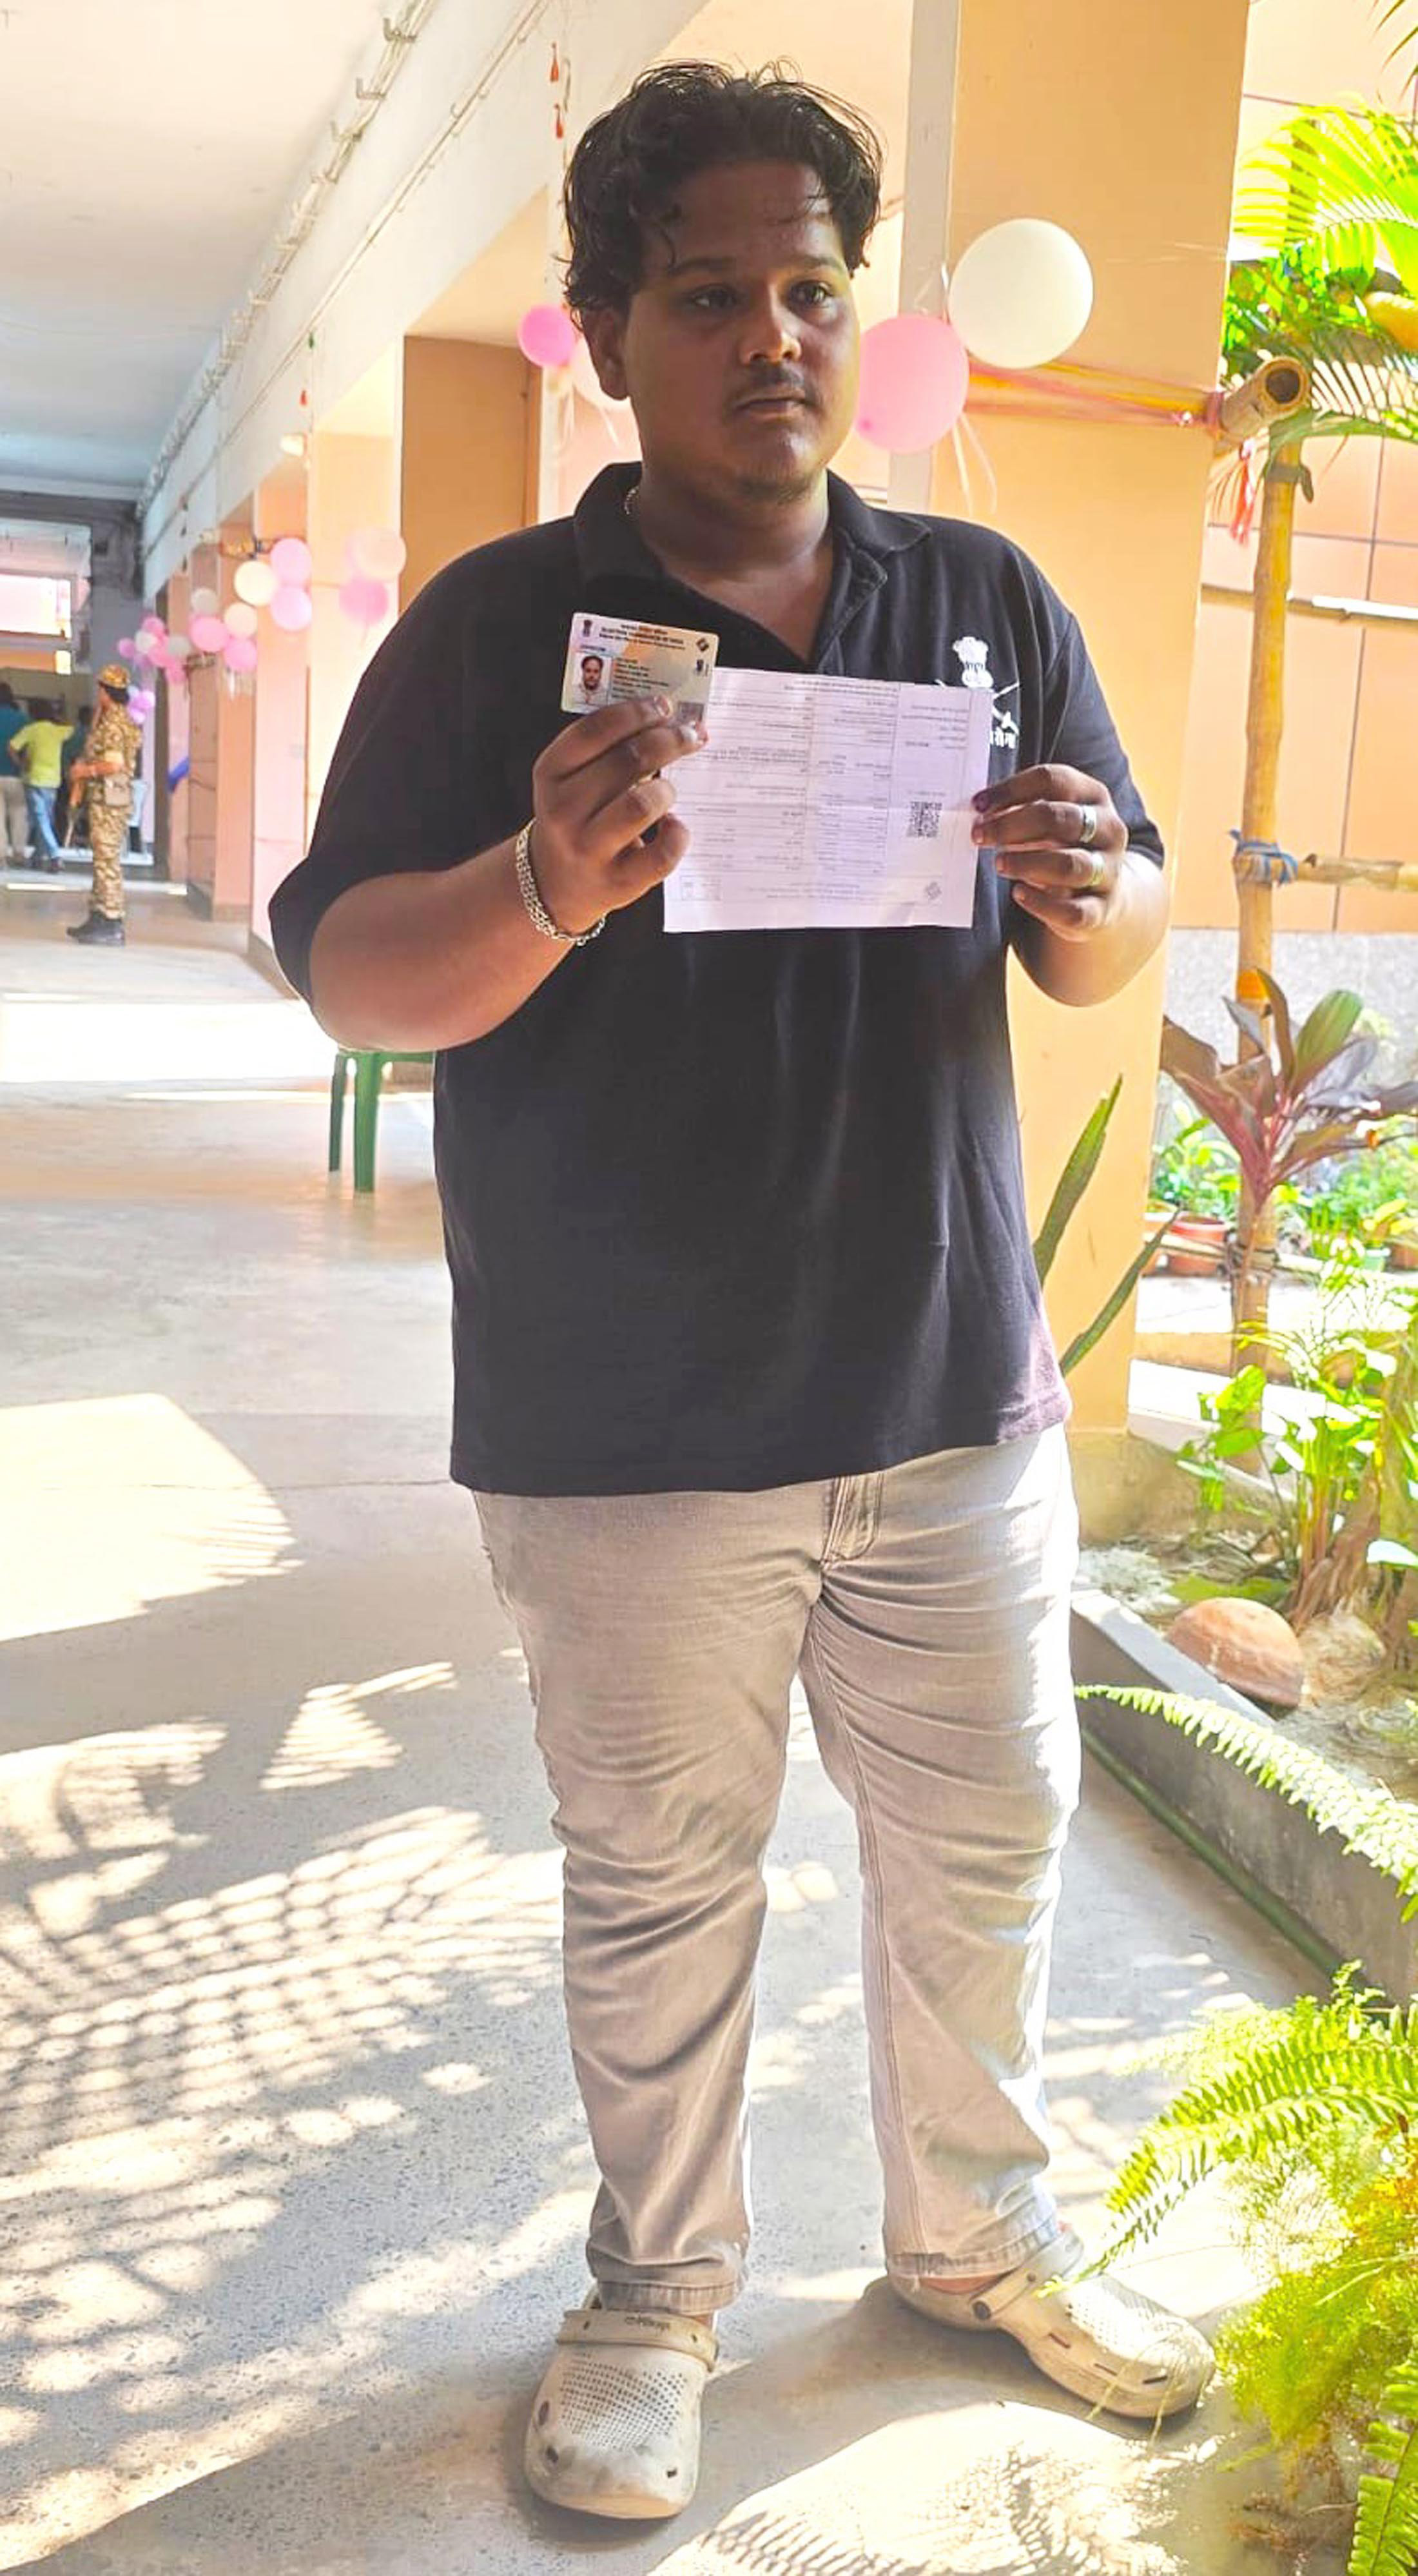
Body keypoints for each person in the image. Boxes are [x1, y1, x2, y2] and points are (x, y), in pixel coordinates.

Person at [270, 63, 1210, 2527]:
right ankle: (655, 2296)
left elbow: (1117, 936)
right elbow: (349, 973)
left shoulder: (980, 603)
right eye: (709, 294)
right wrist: (545, 885)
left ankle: (978, 2238)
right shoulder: (502, 638)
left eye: (810, 287)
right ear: (606, 333)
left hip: (947, 1390)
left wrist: (1090, 883)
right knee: (665, 1880)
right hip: (633, 1421)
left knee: (987, 1846)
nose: (774, 336)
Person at [65, 664, 140, 944]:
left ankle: (111, 920)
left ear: (106, 691)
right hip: (107, 799)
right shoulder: (115, 719)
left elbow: (114, 765)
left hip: (110, 800)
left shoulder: (113, 724)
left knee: (107, 859)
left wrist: (85, 771)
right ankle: (98, 915)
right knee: (101, 858)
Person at [10, 697, 73, 872]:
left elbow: (12, 747)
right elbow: (71, 728)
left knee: (40, 819)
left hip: (35, 779)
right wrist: (58, 716)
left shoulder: (31, 730)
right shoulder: (58, 731)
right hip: (53, 781)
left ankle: (54, 855)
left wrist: (21, 764)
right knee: (45, 819)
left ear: (32, 714)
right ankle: (38, 857)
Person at [0, 682, 28, 864]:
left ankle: (1, 856)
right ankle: (19, 852)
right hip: (15, 774)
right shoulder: (22, 719)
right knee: (19, 813)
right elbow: (29, 747)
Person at [57, 703, 93, 847]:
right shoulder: (94, 736)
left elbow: (65, 756)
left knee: (71, 810)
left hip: (75, 780)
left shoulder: (74, 734)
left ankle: (69, 838)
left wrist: (67, 774)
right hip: (88, 779)